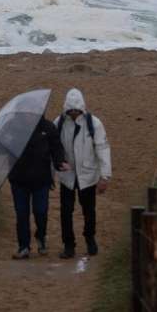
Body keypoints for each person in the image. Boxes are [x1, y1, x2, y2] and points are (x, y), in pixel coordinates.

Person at [55, 88, 112, 258]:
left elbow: (102, 148)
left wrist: (105, 176)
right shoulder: (59, 123)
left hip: (87, 175)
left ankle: (90, 239)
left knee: (89, 210)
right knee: (66, 211)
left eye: (76, 110)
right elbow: (53, 149)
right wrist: (55, 168)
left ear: (82, 108)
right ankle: (68, 245)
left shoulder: (93, 124)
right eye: (70, 110)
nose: (73, 113)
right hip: (67, 176)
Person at [7, 116, 70, 259]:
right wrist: (1, 140)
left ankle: (41, 237)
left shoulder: (48, 127)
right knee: (22, 214)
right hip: (18, 180)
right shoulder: (14, 127)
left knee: (40, 211)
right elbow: (3, 151)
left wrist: (60, 162)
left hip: (41, 180)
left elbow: (56, 148)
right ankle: (23, 247)